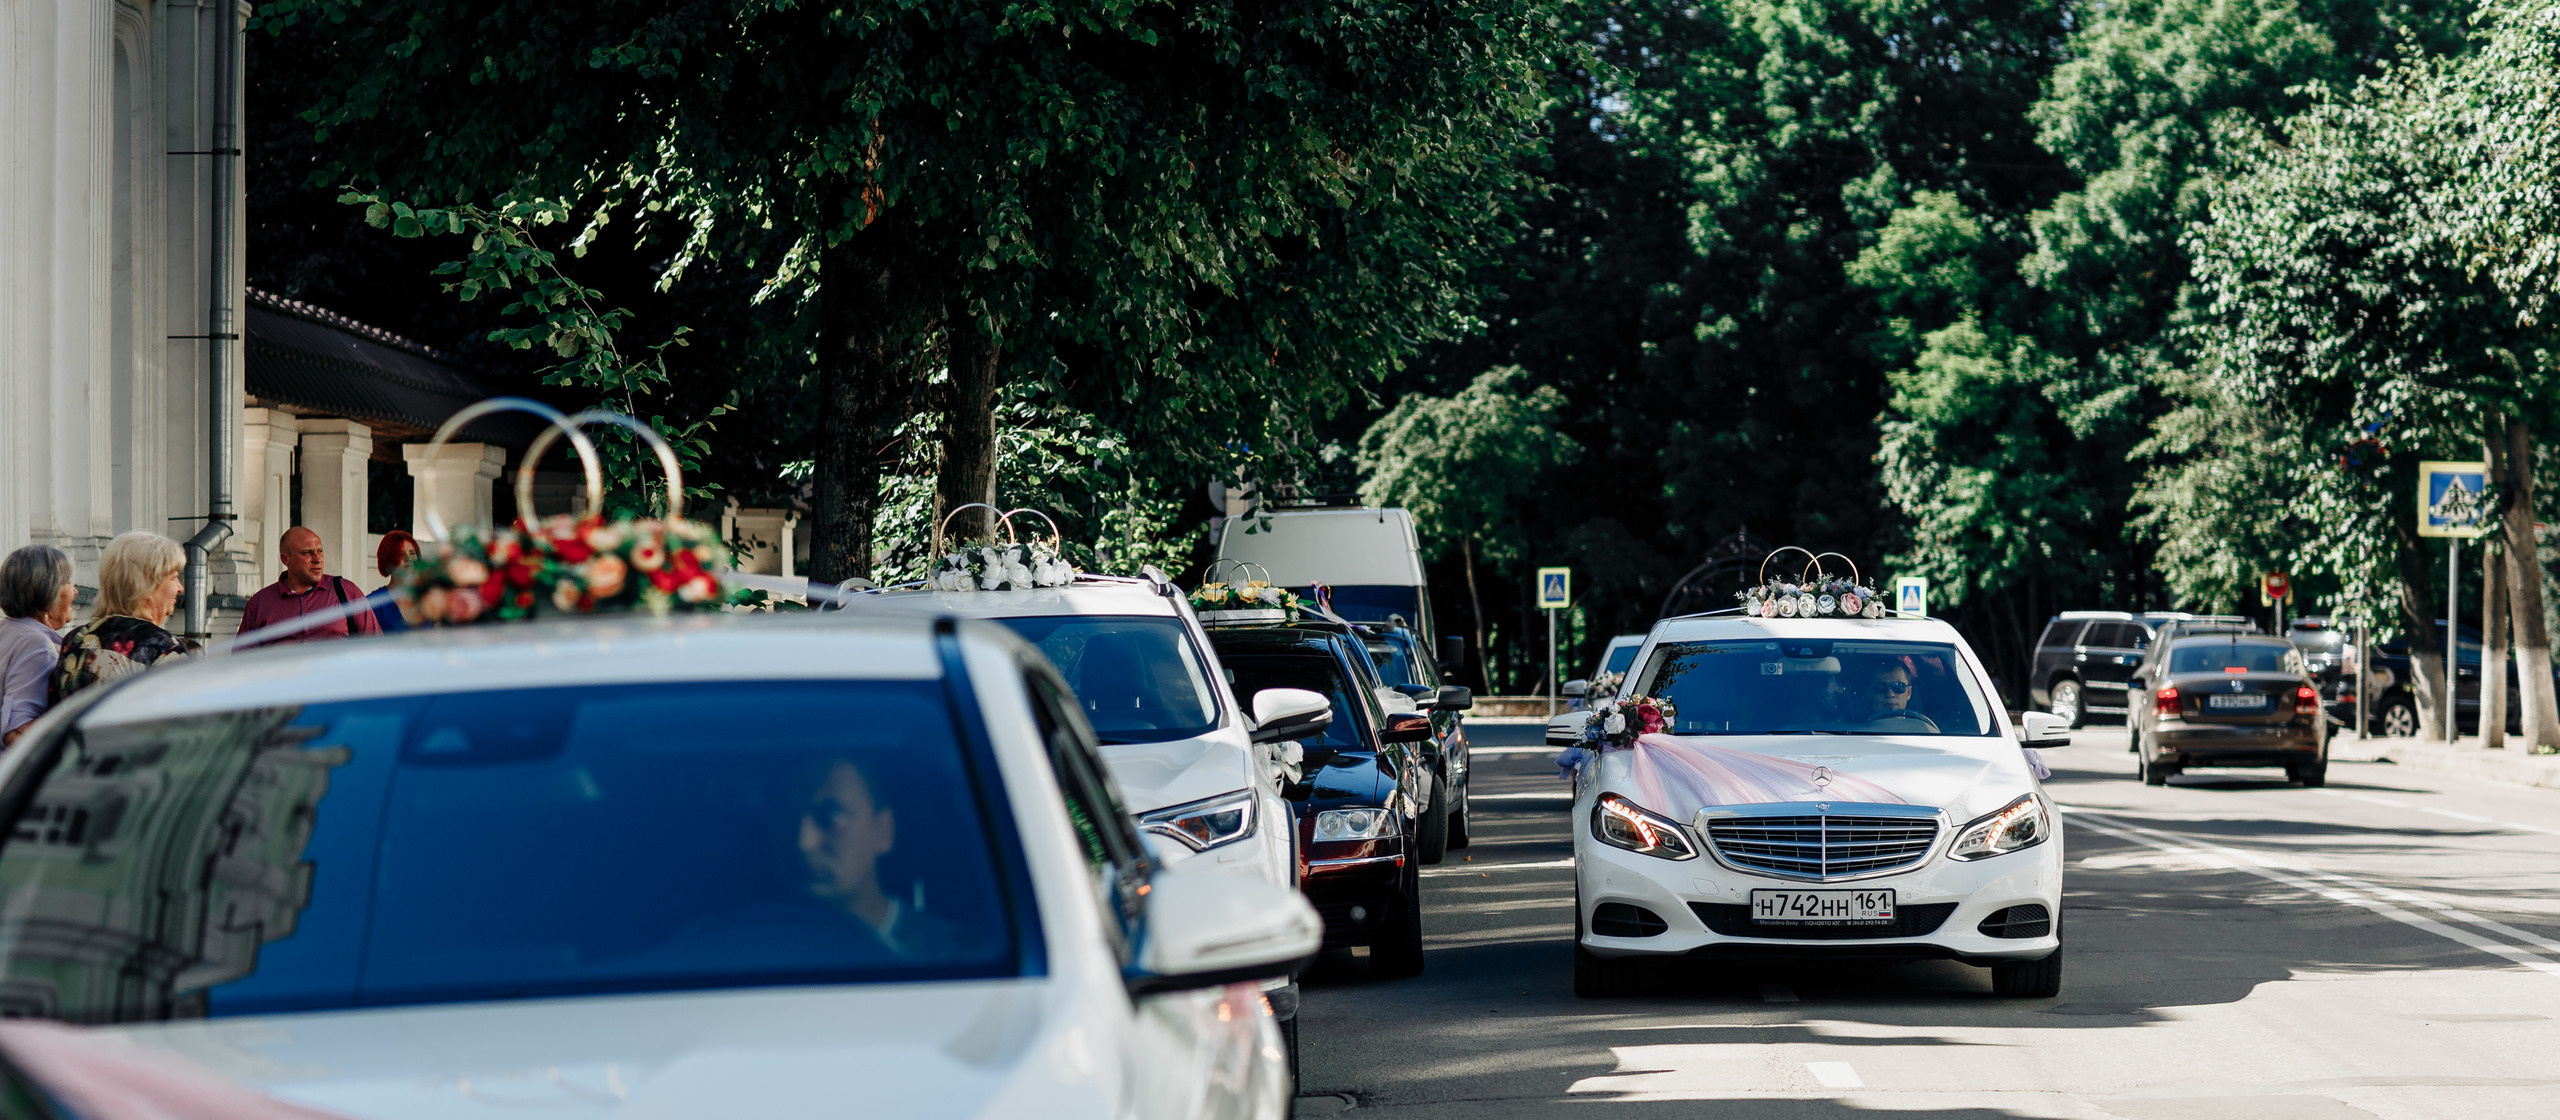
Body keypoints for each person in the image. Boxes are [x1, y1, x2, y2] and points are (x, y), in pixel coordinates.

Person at [51, 532, 192, 703]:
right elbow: (179, 723)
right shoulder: (164, 649)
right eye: (174, 578)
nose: (180, 588)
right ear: (147, 584)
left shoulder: (75, 640)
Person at [238, 527, 383, 643]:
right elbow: (242, 661)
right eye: (307, 553)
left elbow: (377, 648)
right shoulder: (260, 603)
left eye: (320, 551)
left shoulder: (346, 592)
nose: (317, 559)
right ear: (285, 559)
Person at [1, 545, 77, 746]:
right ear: (48, 593)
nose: (75, 591)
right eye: (68, 583)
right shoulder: (36, 643)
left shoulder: (8, 630)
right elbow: (17, 732)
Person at [368, 531, 419, 633]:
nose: (408, 559)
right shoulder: (372, 603)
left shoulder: (428, 597)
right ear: (388, 559)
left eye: (412, 553)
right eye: (400, 554)